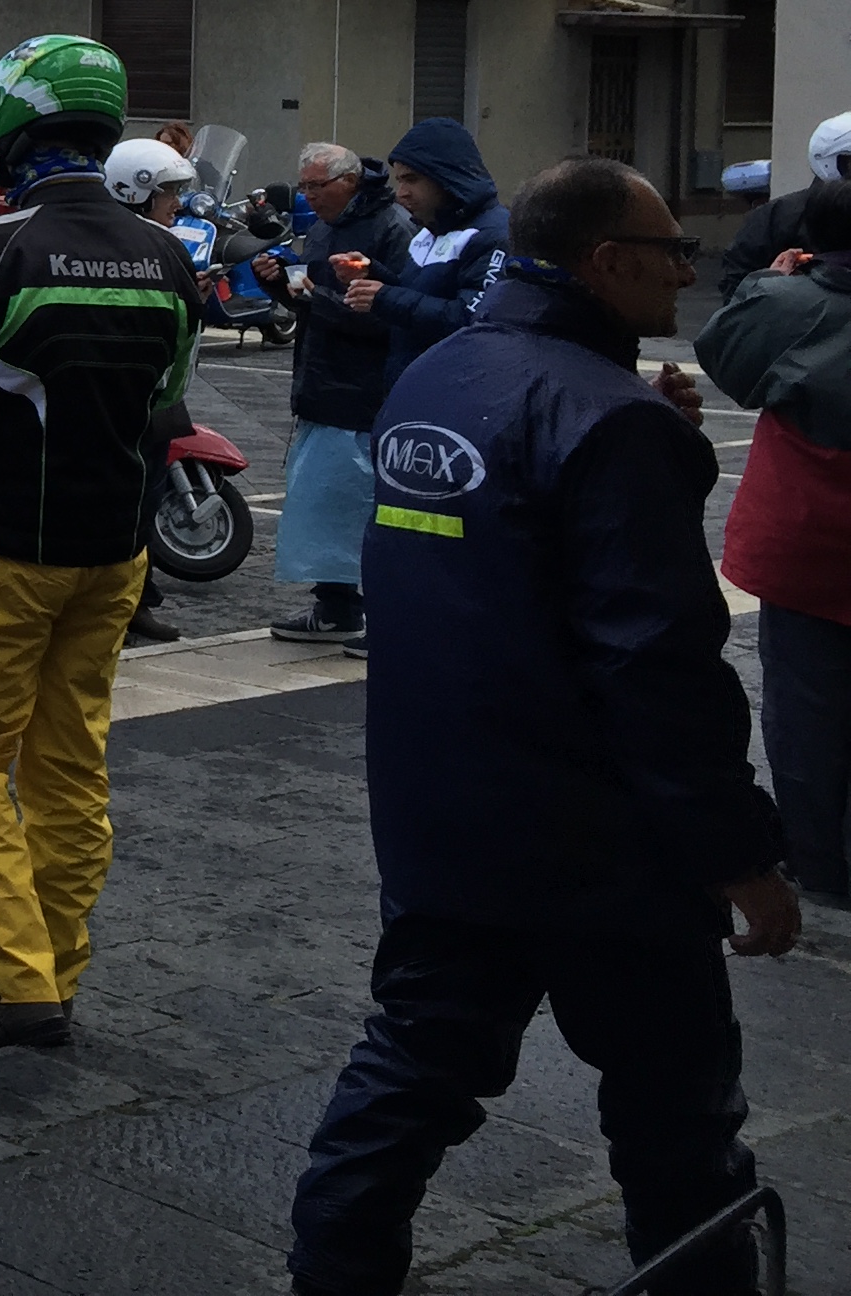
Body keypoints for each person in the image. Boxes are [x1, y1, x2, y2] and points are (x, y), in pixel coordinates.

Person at [287, 157, 799, 1296]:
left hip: (444, 815)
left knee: (409, 1077)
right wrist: (739, 854)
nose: (688, 271)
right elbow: (657, 669)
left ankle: (333, 1271)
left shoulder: (440, 372)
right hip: (601, 847)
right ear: (606, 262)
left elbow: (502, 540)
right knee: (676, 1112)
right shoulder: (610, 419)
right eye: (672, 251)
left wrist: (640, 429)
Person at [0, 34, 196, 1067]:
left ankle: (6, 981)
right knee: (69, 769)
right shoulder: (167, 254)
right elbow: (167, 400)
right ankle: (55, 978)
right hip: (116, 554)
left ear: (18, 122)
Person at [695, 175, 851, 913]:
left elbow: (729, 362)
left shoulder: (790, 303)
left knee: (806, 705)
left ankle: (818, 858)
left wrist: (771, 285)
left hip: (807, 535)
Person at [259, 140, 420, 649]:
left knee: (358, 505)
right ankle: (336, 605)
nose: (308, 196)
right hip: (323, 382)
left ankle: (366, 610)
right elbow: (315, 302)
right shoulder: (325, 227)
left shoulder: (392, 228)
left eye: (316, 186)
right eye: (303, 186)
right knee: (325, 501)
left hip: (363, 389)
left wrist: (317, 299)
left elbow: (392, 316)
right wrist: (281, 287)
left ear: (348, 182)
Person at [102, 135, 201, 648]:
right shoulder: (137, 243)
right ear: (136, 190)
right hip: (130, 399)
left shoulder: (160, 243)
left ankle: (135, 598)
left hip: (151, 400)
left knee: (145, 502)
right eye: (169, 193)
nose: (176, 203)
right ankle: (114, 605)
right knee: (125, 505)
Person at [346, 117, 509, 399]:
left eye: (411, 179)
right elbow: (420, 296)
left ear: (447, 177)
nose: (401, 194)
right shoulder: (429, 232)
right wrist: (373, 276)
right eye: (399, 180)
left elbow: (474, 317)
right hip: (413, 391)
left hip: (458, 396)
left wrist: (384, 297)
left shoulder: (493, 234)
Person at [716, 109, 851, 300]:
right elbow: (736, 289)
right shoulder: (777, 217)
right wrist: (773, 287)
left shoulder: (776, 214)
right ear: (834, 162)